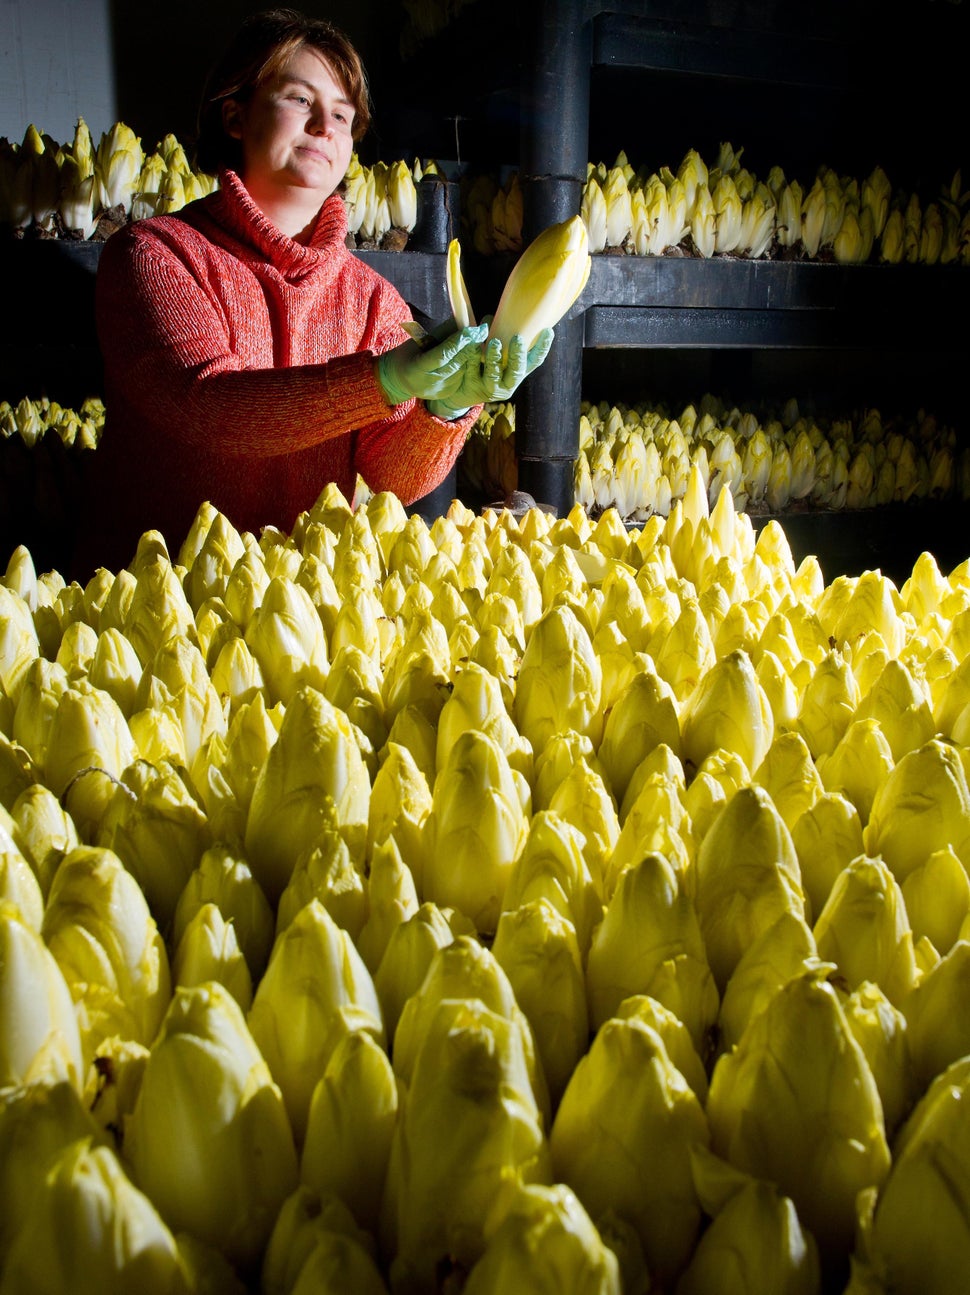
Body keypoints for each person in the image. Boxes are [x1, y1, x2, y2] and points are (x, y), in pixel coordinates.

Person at [76, 7, 552, 577]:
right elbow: (209, 409)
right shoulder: (154, 255)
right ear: (234, 115)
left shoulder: (370, 297)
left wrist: (443, 409)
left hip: (304, 611)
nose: (325, 126)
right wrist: (381, 380)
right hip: (147, 609)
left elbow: (391, 481)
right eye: (301, 100)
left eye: (343, 116)